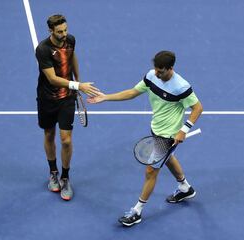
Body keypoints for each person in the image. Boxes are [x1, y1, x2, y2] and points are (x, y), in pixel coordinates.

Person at [88, 50, 203, 226]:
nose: (157, 73)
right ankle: (185, 188)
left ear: (170, 68)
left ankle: (137, 211)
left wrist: (184, 130)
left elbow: (198, 108)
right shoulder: (151, 76)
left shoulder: (181, 86)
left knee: (151, 171)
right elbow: (133, 92)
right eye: (155, 69)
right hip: (156, 129)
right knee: (168, 158)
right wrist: (106, 97)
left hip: (168, 135)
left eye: (161, 71)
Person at [35, 14, 99, 201]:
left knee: (66, 141)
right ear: (51, 31)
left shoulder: (70, 40)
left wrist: (77, 80)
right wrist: (78, 86)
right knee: (49, 134)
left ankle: (65, 176)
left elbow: (72, 58)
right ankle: (53, 172)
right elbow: (53, 79)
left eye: (65, 30)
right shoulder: (43, 49)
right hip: (47, 99)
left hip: (66, 99)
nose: (64, 34)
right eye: (59, 31)